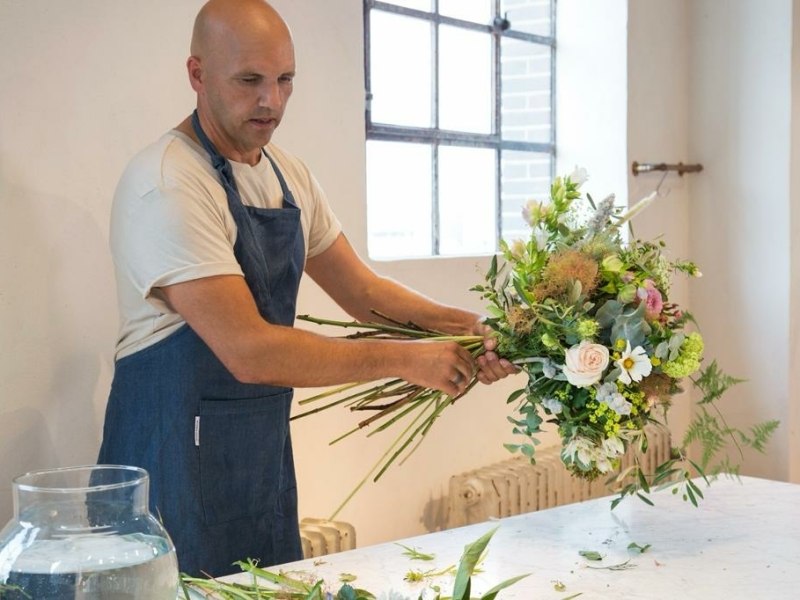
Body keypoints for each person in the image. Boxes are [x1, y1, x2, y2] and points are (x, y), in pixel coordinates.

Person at [97, 0, 517, 578]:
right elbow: (250, 351)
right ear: (197, 74)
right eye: (249, 81)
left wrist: (473, 329)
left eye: (284, 80)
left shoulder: (286, 174)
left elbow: (362, 292)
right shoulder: (169, 183)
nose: (271, 101)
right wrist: (406, 361)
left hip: (257, 466)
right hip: (167, 466)